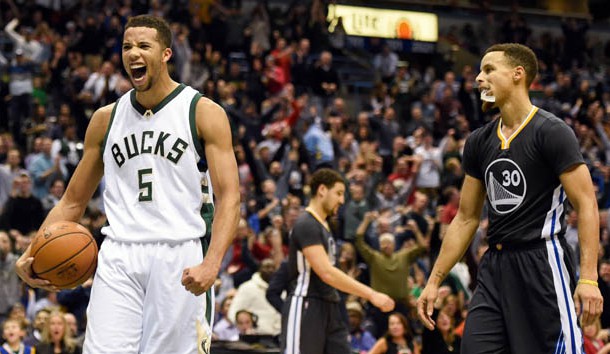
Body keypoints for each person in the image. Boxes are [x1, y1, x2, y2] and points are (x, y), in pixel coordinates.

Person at [16, 15, 240, 354]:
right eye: (126, 46)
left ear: (165, 54)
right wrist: (32, 252)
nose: (133, 53)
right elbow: (72, 202)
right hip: (118, 252)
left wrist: (212, 263)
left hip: (178, 253)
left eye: (143, 46)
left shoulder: (201, 112)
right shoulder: (105, 119)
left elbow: (230, 197)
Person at [417, 43, 603, 354]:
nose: (479, 78)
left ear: (518, 74)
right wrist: (434, 280)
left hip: (542, 261)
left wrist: (588, 278)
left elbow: (586, 205)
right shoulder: (478, 141)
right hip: (495, 267)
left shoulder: (552, 132)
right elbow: (465, 218)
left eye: (488, 70)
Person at [280, 168, 395, 354]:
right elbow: (326, 272)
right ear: (322, 190)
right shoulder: (306, 224)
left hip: (330, 305)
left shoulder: (324, 226)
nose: (342, 200)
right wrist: (371, 294)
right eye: (339, 193)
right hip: (306, 305)